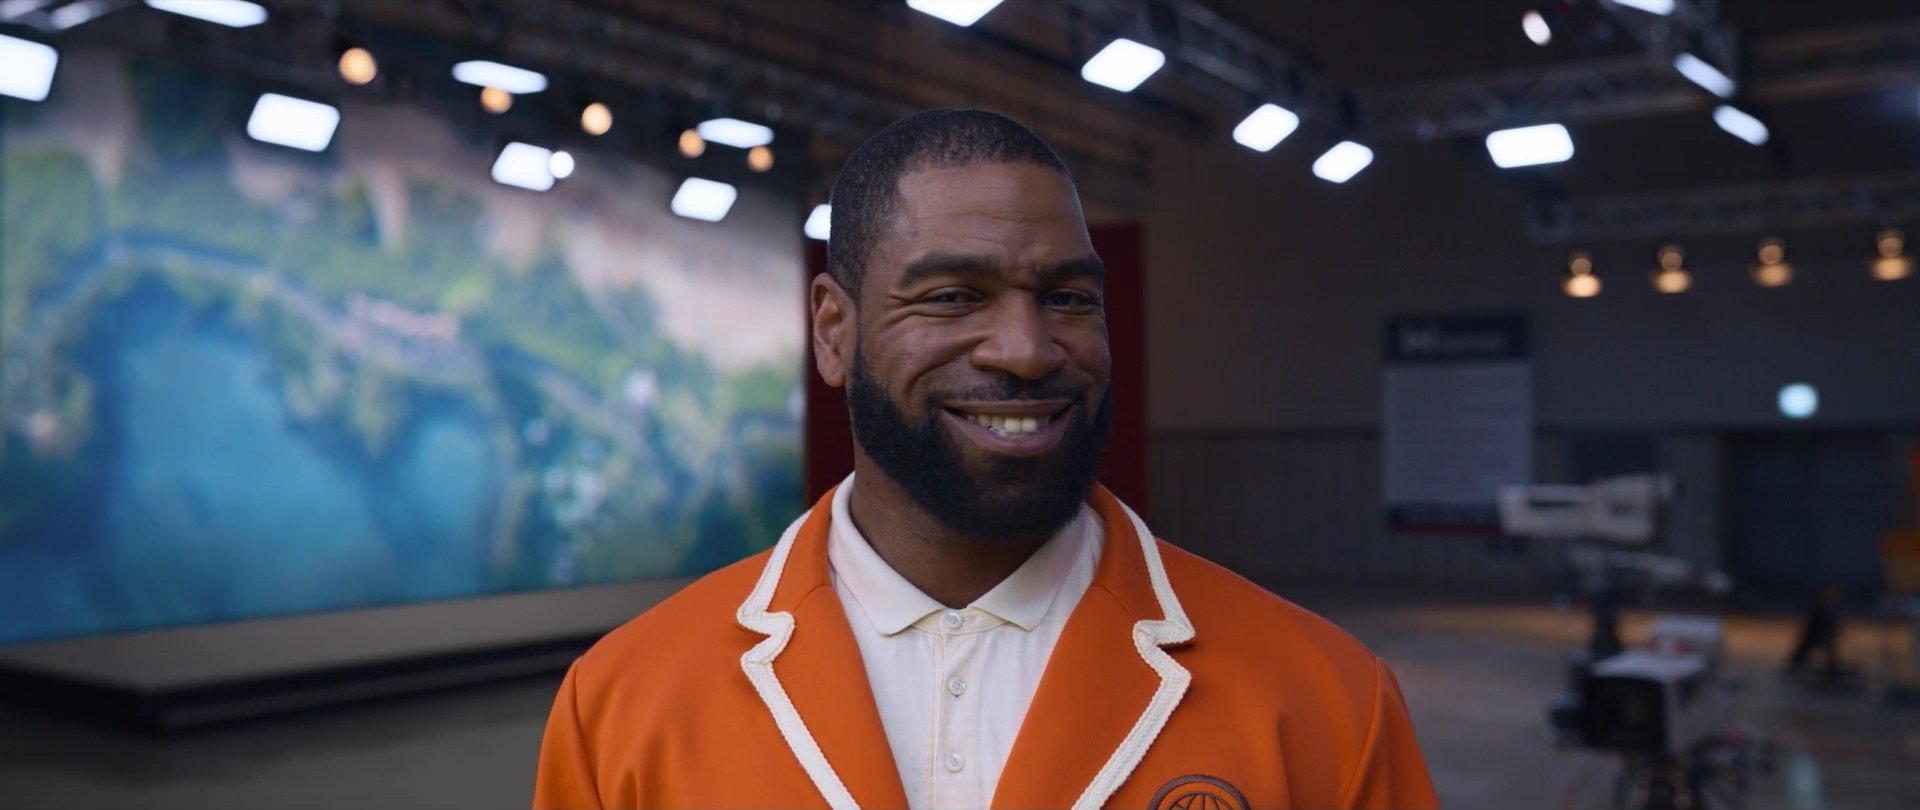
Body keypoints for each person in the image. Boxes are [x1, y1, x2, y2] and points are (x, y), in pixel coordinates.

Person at [533, 108, 1438, 810]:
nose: (1027, 350)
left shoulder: (1325, 699)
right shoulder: (622, 702)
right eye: (954, 296)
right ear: (834, 331)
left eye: (1068, 298)